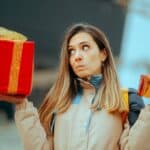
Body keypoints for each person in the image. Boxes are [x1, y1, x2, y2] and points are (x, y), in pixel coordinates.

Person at [0, 23, 150, 150]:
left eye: (85, 47)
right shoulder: (59, 102)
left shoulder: (124, 100)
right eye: (71, 51)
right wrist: (22, 105)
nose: (77, 56)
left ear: (103, 54)